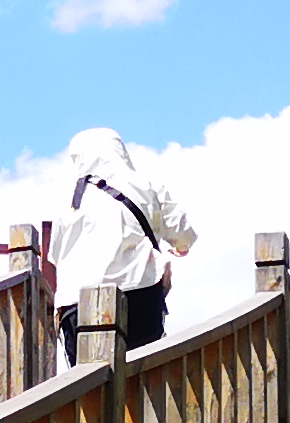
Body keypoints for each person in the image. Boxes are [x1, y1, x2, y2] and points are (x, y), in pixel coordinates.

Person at [51, 127, 195, 349]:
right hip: (137, 292)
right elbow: (181, 231)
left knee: (86, 380)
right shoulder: (144, 184)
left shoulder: (67, 200)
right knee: (141, 376)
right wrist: (181, 247)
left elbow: (55, 255)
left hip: (75, 303)